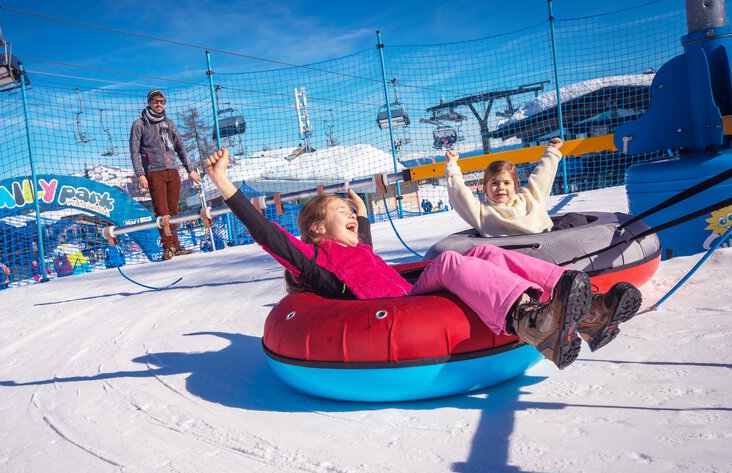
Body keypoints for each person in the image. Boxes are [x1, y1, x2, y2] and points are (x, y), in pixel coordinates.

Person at [205, 148, 642, 369]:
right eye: (340, 214)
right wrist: (224, 184)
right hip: (393, 309)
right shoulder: (313, 259)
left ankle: (587, 310)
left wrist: (360, 209)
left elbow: (367, 247)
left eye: (350, 215)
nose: (351, 220)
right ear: (317, 229)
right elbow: (266, 233)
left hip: (409, 292)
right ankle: (529, 321)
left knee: (482, 250)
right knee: (453, 262)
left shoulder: (357, 250)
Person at [446, 137, 584, 237]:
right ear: (485, 189)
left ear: (515, 187)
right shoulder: (481, 212)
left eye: (507, 183)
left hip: (547, 243)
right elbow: (460, 193)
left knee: (576, 218)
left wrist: (551, 151)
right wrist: (452, 165)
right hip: (513, 256)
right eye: (494, 183)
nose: (501, 187)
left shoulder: (529, 198)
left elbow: (542, 175)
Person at [130, 89, 201, 261]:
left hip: (173, 171)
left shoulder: (169, 123)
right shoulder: (140, 124)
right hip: (154, 173)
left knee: (174, 211)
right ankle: (167, 246)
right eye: (155, 101)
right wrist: (140, 174)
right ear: (149, 103)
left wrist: (190, 170)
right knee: (162, 212)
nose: (159, 104)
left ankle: (176, 246)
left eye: (162, 102)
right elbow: (134, 151)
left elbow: (181, 147)